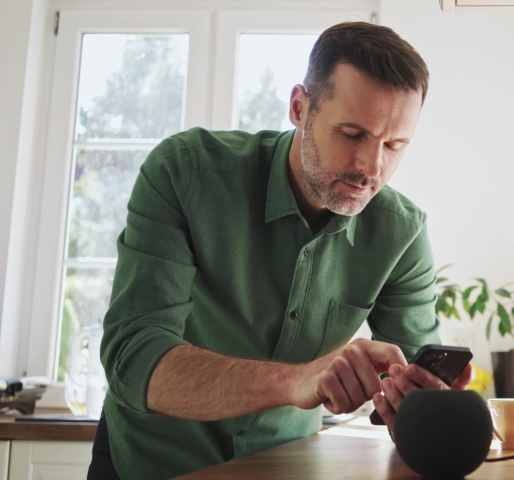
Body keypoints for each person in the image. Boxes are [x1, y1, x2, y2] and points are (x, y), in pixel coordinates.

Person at [87, 21, 473, 480]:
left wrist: (420, 407)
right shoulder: (184, 172)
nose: (372, 167)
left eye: (394, 145)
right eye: (352, 134)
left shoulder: (402, 234)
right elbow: (133, 358)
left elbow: (415, 400)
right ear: (299, 108)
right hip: (151, 463)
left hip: (282, 467)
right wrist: (301, 379)